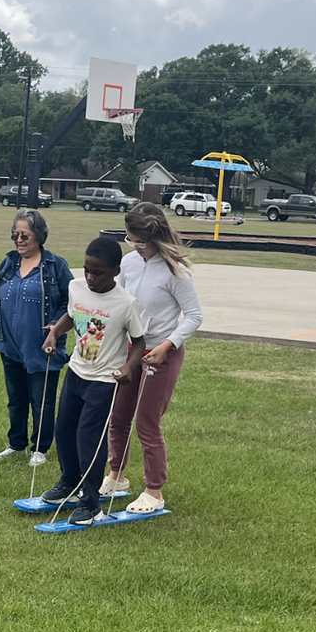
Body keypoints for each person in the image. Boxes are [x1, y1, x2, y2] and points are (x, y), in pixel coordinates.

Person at [103, 202, 203, 514]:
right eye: (129, 239)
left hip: (161, 355)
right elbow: (117, 299)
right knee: (118, 417)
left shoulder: (175, 272)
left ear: (155, 238)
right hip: (131, 353)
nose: (134, 246)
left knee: (147, 422)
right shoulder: (130, 264)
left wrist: (168, 345)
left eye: (139, 241)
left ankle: (154, 490)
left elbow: (194, 316)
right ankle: (116, 476)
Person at [39, 236, 145, 525]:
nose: (90, 277)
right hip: (76, 372)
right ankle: (69, 484)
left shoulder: (125, 303)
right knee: (64, 430)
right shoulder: (77, 288)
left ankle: (91, 503)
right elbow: (72, 317)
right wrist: (54, 334)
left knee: (89, 440)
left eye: (97, 272)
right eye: (86, 270)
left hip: (104, 381)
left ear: (115, 270)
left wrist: (128, 368)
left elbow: (139, 341)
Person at [0, 209, 73, 467]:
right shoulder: (8, 263)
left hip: (42, 348)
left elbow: (71, 303)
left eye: (25, 235)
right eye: (15, 235)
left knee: (41, 400)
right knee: (16, 398)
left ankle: (40, 449)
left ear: (39, 236)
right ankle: (16, 444)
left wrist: (55, 327)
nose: (19, 240)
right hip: (9, 345)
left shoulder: (56, 266)